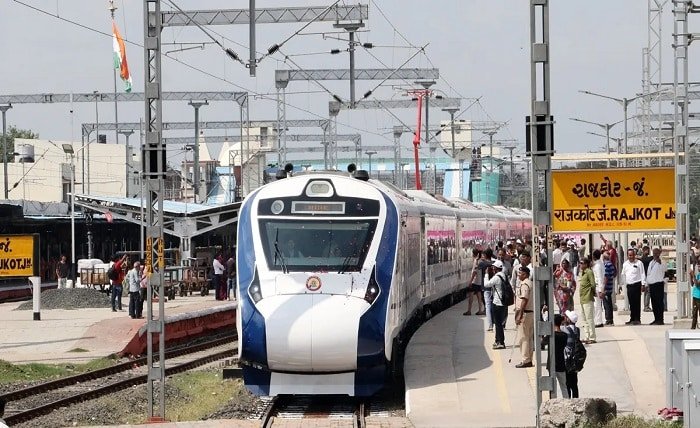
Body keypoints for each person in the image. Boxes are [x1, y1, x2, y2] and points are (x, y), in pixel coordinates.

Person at [485, 259, 508, 350]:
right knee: (499, 323)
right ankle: (497, 340)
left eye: (493, 267)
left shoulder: (496, 277)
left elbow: (487, 284)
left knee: (498, 324)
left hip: (497, 303)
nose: (492, 268)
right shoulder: (504, 276)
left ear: (496, 268)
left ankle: (501, 342)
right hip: (503, 303)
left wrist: (486, 274)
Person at [514, 265, 534, 368]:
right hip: (530, 313)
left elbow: (524, 300)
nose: (518, 275)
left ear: (525, 274)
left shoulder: (525, 284)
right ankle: (529, 359)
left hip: (525, 313)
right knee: (529, 337)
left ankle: (525, 360)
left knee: (523, 338)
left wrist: (520, 315)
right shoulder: (530, 283)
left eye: (520, 273)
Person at [622, 249, 646, 325]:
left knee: (637, 302)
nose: (631, 257)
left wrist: (643, 284)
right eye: (629, 255)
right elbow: (623, 274)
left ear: (634, 255)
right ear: (627, 255)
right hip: (629, 285)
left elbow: (642, 274)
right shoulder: (625, 264)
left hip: (637, 284)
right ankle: (632, 318)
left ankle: (637, 319)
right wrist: (623, 284)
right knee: (631, 303)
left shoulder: (639, 263)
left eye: (632, 255)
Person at [646, 247, 667, 325]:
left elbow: (665, 271)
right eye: (654, 253)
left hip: (658, 284)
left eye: (656, 253)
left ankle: (660, 319)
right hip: (652, 285)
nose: (655, 255)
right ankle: (656, 318)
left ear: (659, 253)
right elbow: (648, 273)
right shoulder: (651, 262)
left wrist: (660, 262)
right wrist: (647, 283)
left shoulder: (662, 262)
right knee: (654, 302)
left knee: (659, 303)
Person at [577, 258, 596, 344]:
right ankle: (586, 336)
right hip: (582, 298)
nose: (580, 265)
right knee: (584, 319)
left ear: (586, 264)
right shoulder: (583, 273)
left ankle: (592, 337)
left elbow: (592, 284)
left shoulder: (589, 272)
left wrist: (593, 293)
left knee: (589, 318)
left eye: (582, 263)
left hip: (588, 297)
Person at [562, 310, 581, 398]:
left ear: (569, 320)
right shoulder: (577, 330)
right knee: (574, 384)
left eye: (566, 317)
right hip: (575, 359)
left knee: (567, 383)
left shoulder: (565, 329)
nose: (565, 318)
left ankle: (569, 401)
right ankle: (576, 400)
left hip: (567, 359)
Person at [551, 314, 570, 398]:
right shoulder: (564, 335)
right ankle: (567, 401)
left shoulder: (551, 336)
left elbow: (542, 343)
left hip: (552, 363)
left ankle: (553, 402)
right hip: (561, 363)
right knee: (564, 386)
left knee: (552, 387)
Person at [464, 248, 485, 316]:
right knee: (479, 296)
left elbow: (475, 272)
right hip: (479, 281)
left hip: (474, 281)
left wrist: (470, 281)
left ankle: (469, 310)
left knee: (471, 296)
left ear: (473, 253)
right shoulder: (481, 260)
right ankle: (480, 310)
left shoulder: (476, 261)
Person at [591, 249, 605, 328]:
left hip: (597, 287)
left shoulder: (598, 266)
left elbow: (600, 278)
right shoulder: (599, 264)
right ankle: (597, 320)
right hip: (596, 286)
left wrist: (600, 290)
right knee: (596, 305)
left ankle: (598, 321)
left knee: (597, 305)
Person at [602, 251, 616, 325]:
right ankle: (609, 319)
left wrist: (603, 288)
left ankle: (609, 319)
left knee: (607, 304)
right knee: (608, 303)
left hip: (607, 287)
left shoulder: (607, 265)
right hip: (610, 286)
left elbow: (606, 277)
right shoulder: (611, 264)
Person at [640, 245, 653, 312]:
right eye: (647, 250)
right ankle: (646, 306)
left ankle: (646, 306)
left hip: (646, 277)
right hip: (646, 278)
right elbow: (651, 258)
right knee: (648, 292)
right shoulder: (644, 259)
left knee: (646, 292)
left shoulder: (643, 258)